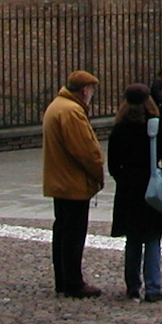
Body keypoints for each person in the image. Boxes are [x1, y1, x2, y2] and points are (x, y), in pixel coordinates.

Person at [108, 84, 162, 303]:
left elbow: (112, 165)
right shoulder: (156, 125)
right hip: (151, 184)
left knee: (133, 239)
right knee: (153, 237)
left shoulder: (119, 128)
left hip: (129, 188)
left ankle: (132, 286)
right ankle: (153, 288)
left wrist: (124, 179)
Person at [42, 69, 105, 298]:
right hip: (73, 183)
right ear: (85, 90)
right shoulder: (72, 112)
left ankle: (63, 279)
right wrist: (98, 173)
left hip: (60, 181)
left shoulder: (57, 106)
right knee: (73, 234)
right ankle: (73, 282)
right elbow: (85, 151)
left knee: (62, 231)